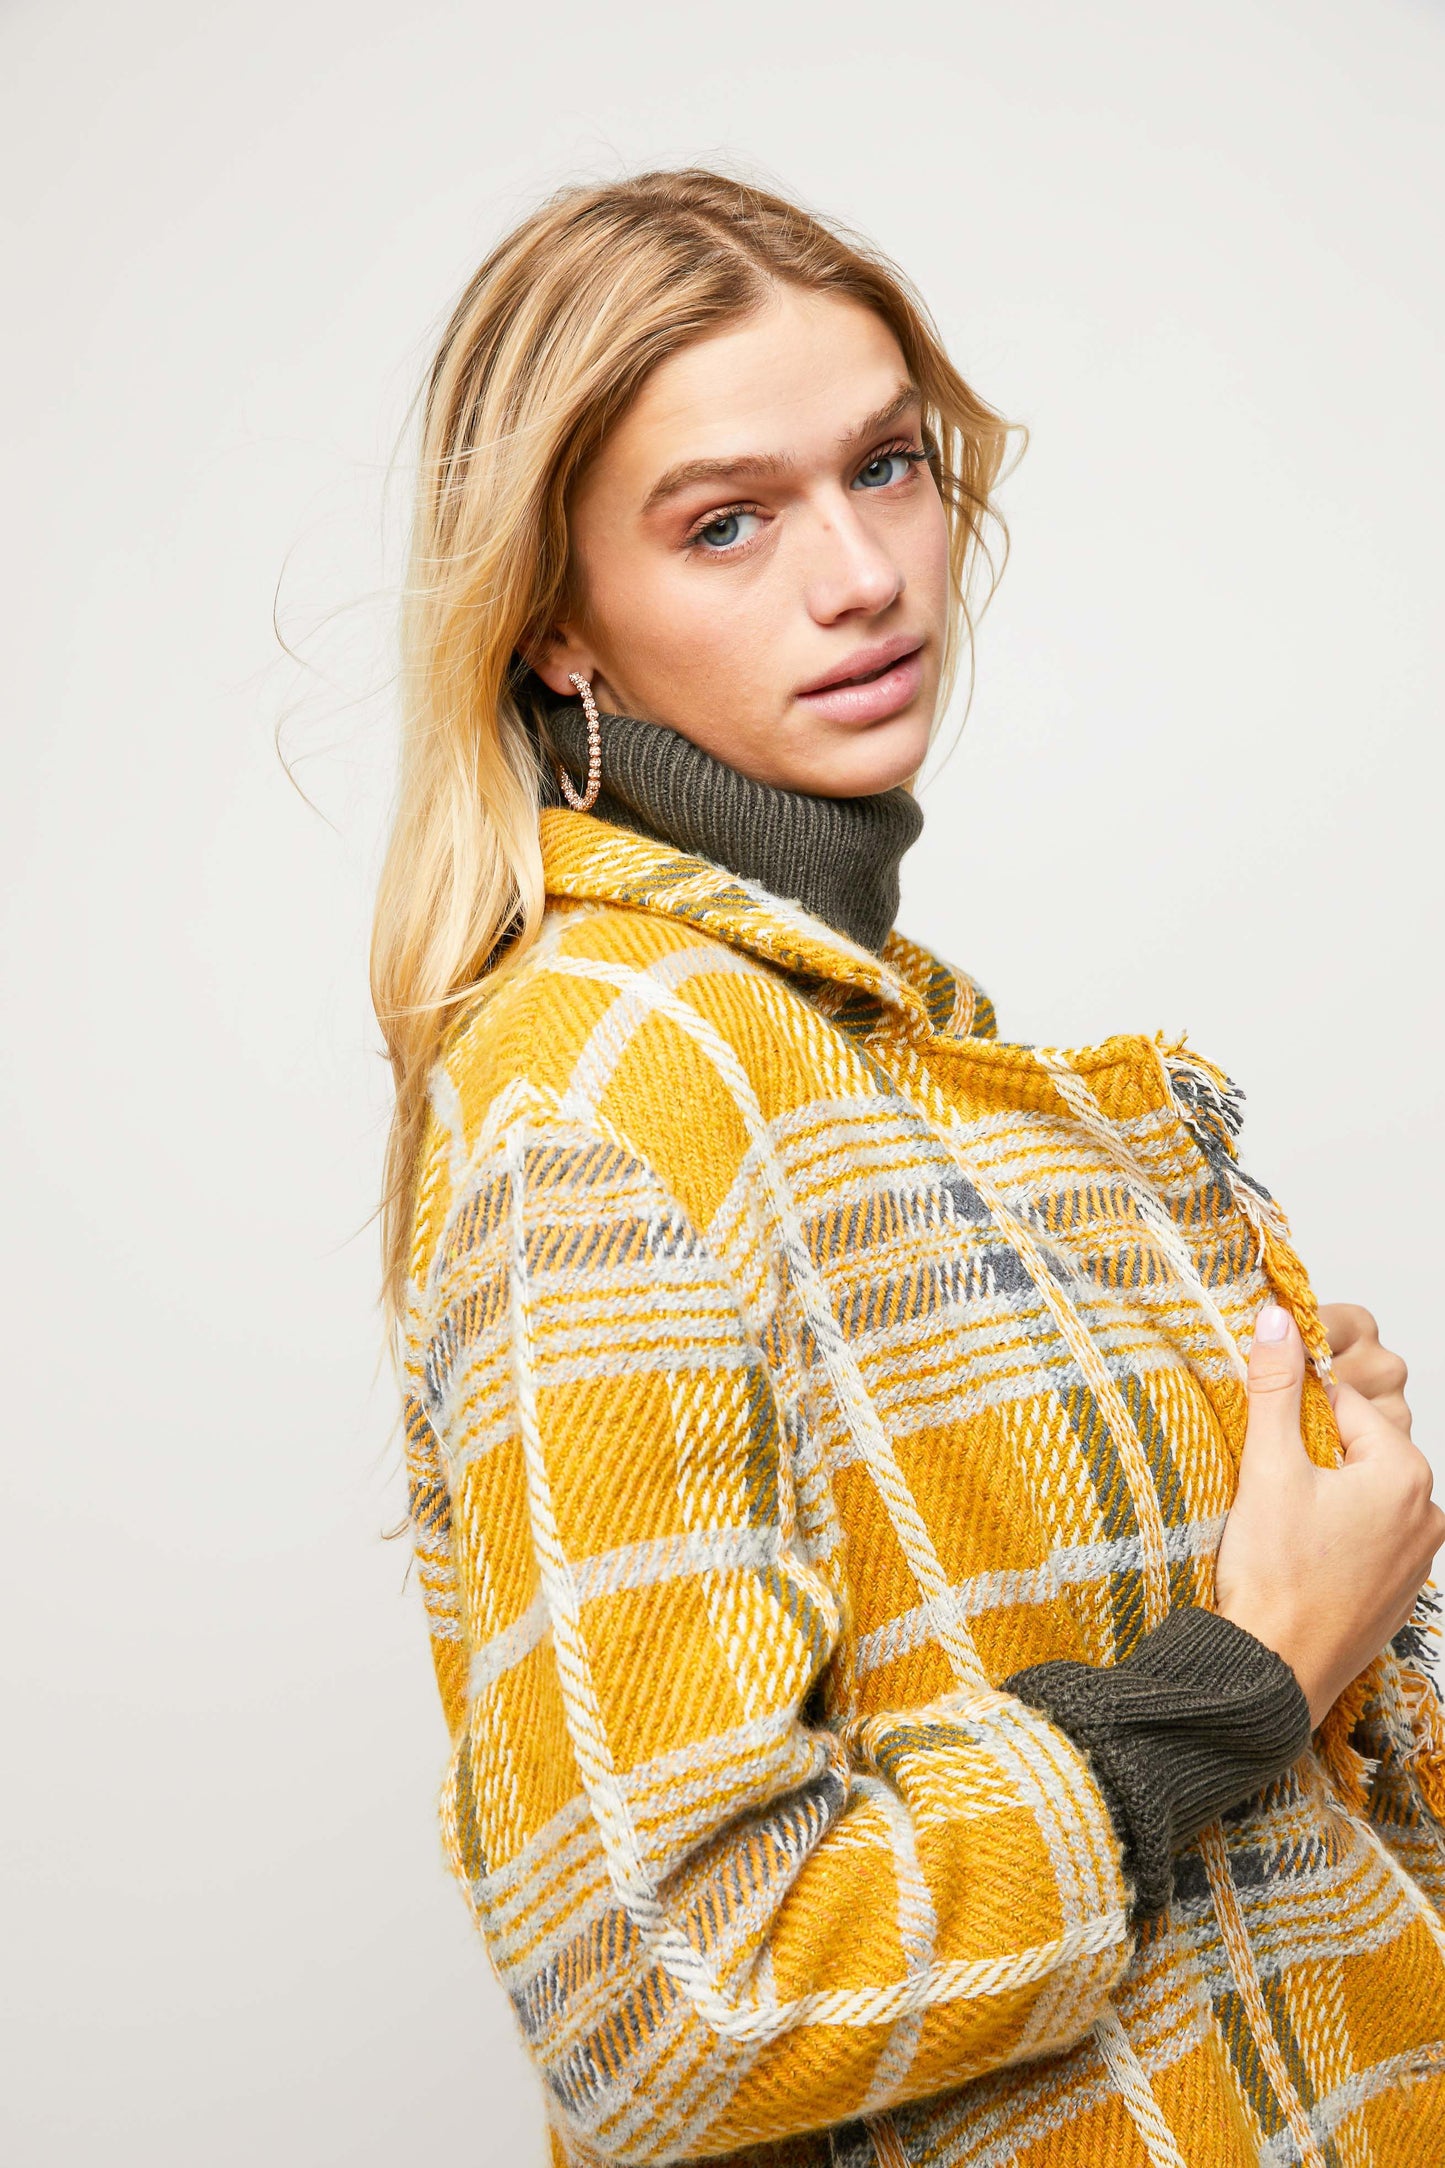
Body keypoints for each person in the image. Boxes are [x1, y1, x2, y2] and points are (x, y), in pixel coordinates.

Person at [371, 169, 1445, 2166]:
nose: (863, 575)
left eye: (885, 465)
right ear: (557, 627)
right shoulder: (601, 1096)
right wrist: (1240, 1679)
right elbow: (666, 2001)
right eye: (726, 521)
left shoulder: (879, 1030)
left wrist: (1285, 1468)